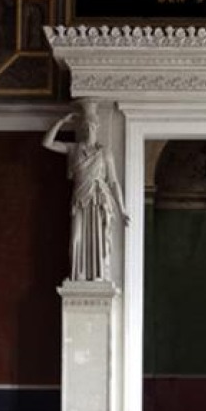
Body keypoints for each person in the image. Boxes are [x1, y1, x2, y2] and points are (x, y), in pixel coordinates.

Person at [42, 100, 129, 282]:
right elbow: (47, 143)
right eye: (86, 126)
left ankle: (98, 275)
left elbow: (113, 182)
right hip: (80, 198)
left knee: (98, 240)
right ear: (82, 128)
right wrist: (61, 122)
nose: (89, 130)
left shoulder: (105, 153)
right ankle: (78, 275)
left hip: (99, 199)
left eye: (92, 126)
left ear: (97, 127)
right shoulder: (74, 149)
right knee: (76, 239)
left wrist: (122, 209)